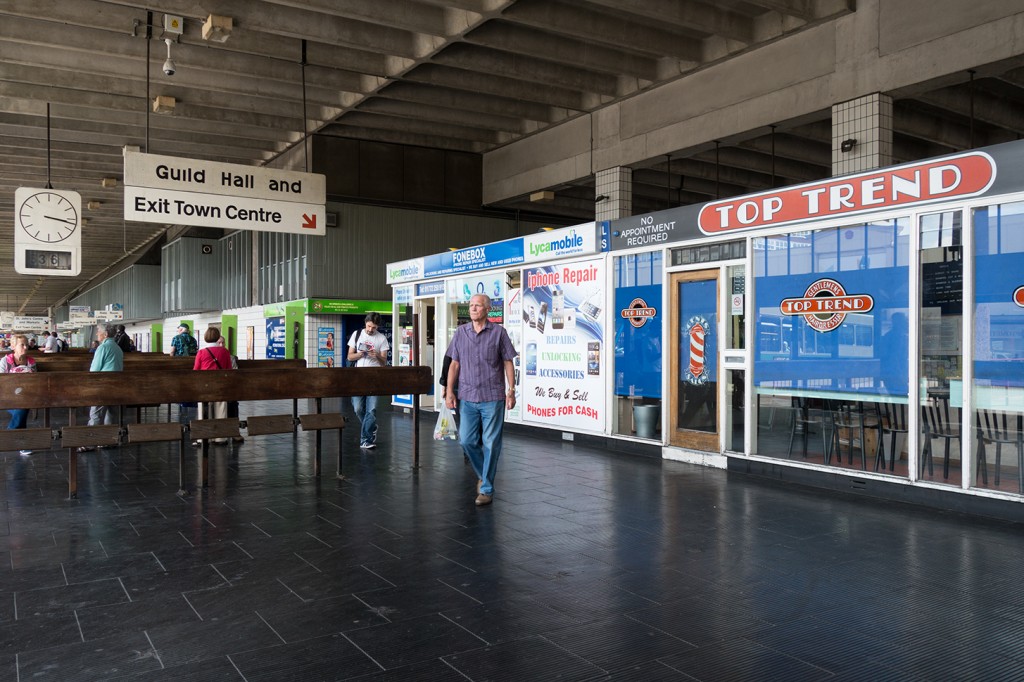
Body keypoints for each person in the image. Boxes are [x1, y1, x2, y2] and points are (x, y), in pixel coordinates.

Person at [444, 293, 517, 506]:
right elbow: (454, 364)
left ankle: (486, 489)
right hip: (467, 396)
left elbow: (508, 362)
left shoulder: (499, 333)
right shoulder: (460, 333)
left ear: (487, 309)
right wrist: (449, 391)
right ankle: (484, 474)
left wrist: (511, 390)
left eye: (477, 305)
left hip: (493, 396)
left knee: (491, 442)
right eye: (471, 305)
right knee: (466, 440)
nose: (473, 309)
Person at [77, 323, 124, 453]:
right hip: (116, 385)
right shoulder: (117, 347)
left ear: (106, 334)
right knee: (112, 414)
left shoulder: (103, 348)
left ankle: (90, 443)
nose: (97, 334)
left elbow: (95, 370)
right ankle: (110, 440)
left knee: (96, 414)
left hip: (103, 386)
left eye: (98, 331)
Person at [347, 312, 390, 449]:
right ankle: (371, 426)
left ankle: (366, 440)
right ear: (365, 323)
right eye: (369, 326)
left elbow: (383, 362)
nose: (371, 329)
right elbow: (349, 357)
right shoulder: (357, 334)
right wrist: (360, 354)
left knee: (371, 410)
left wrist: (376, 355)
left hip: (374, 377)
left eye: (374, 327)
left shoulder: (382, 339)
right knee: (358, 408)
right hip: (358, 376)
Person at [193, 328, 235, 445]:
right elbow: (228, 369)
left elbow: (196, 370)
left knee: (203, 411)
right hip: (220, 384)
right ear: (218, 337)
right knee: (221, 408)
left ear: (206, 337)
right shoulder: (225, 352)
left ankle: (203, 437)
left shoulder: (201, 352)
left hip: (205, 385)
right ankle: (220, 438)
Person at [2, 334, 37, 456]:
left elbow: (35, 382)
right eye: (22, 344)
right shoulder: (5, 361)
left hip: (25, 396)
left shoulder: (31, 362)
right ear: (13, 346)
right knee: (22, 409)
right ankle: (18, 442)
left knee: (22, 408)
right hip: (6, 397)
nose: (25, 347)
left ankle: (11, 438)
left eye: (27, 344)